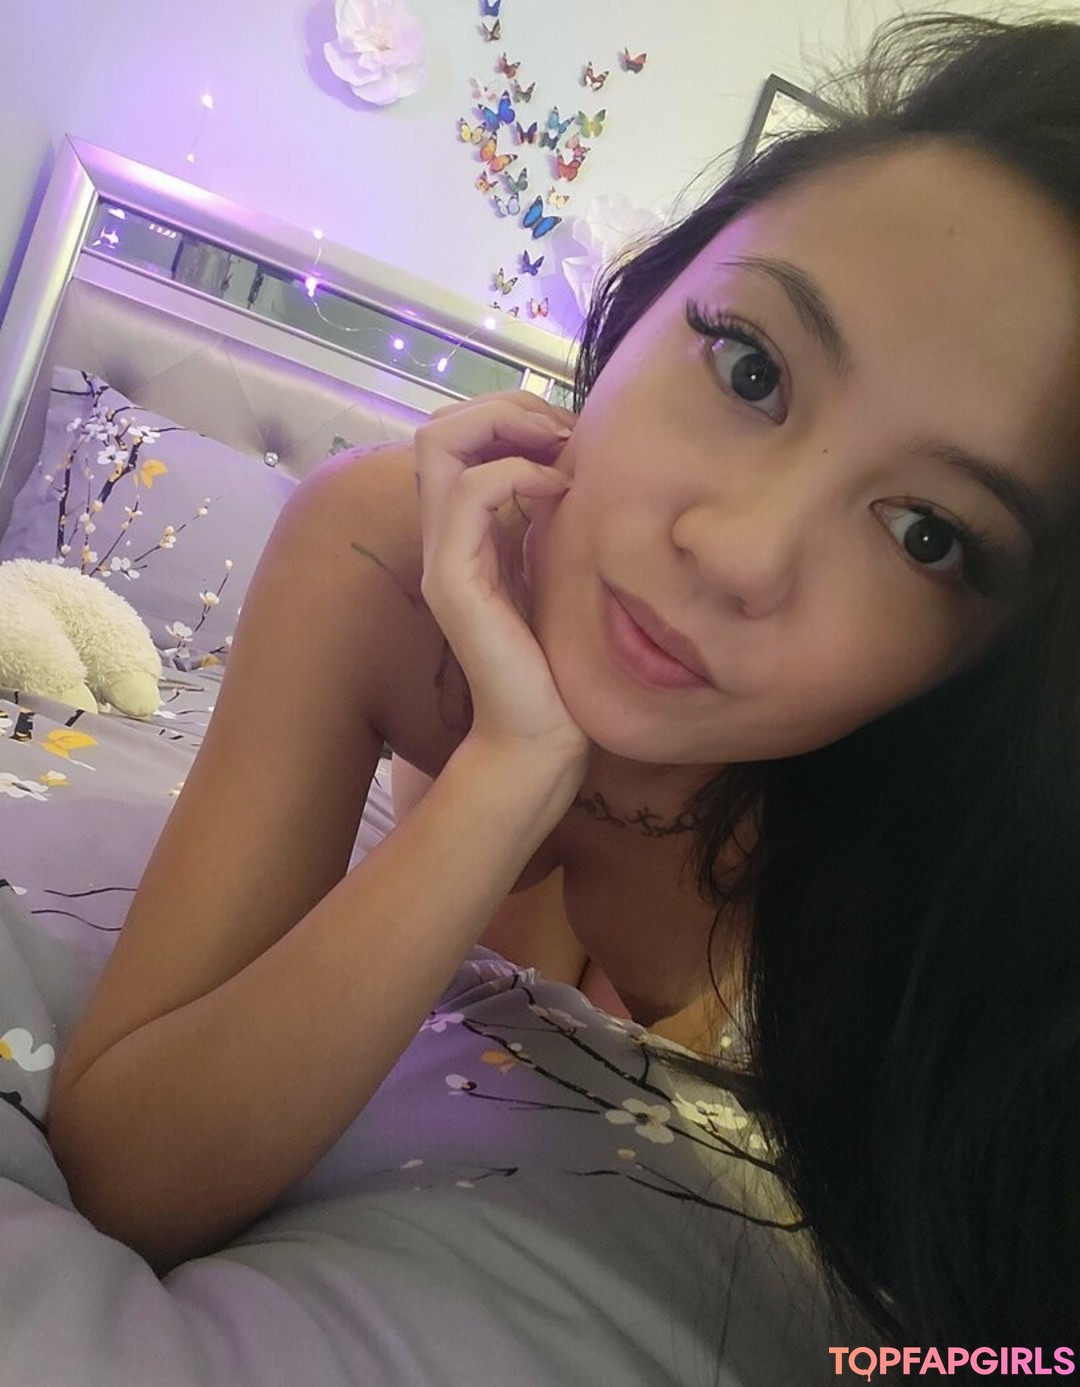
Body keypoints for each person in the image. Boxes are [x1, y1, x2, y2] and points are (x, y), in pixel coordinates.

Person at [46, 9, 1079, 1368]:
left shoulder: (967, 834)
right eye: (752, 368)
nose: (739, 552)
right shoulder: (380, 554)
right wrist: (510, 770)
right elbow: (131, 1170)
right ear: (644, 305)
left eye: (928, 535)